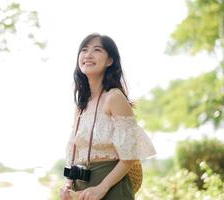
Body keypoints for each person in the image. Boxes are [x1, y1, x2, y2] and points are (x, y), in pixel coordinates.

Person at [60, 33, 156, 200]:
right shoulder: (81, 105)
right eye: (84, 50)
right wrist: (68, 183)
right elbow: (75, 153)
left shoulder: (114, 97)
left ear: (110, 61)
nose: (88, 55)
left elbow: (129, 155)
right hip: (81, 186)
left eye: (97, 50)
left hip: (111, 185)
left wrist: (101, 188)